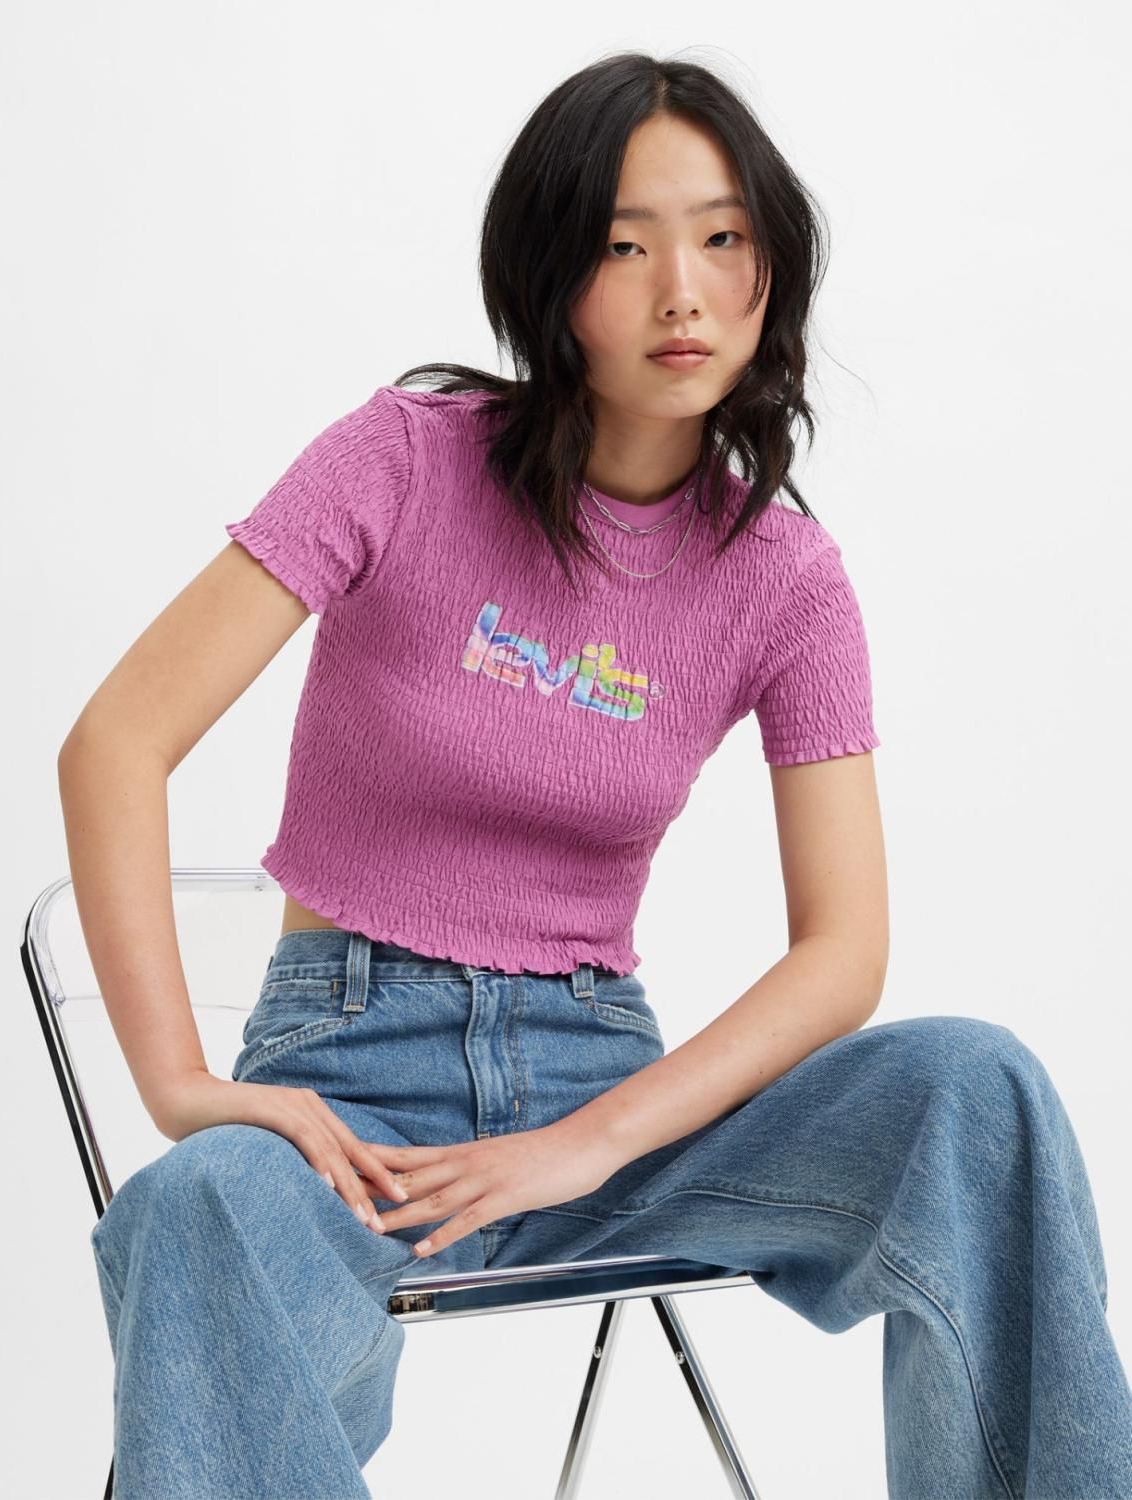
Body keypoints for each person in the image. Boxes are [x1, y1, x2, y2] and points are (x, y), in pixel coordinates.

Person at [58, 50, 1132, 1500]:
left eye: (722, 237)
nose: (682, 291)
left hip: (612, 1101)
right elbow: (118, 740)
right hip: (348, 1104)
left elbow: (844, 951)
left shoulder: (785, 576)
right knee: (196, 1210)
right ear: (550, 271)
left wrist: (579, 1145)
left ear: (770, 269)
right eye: (626, 246)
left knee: (976, 1090)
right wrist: (179, 1085)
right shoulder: (399, 462)